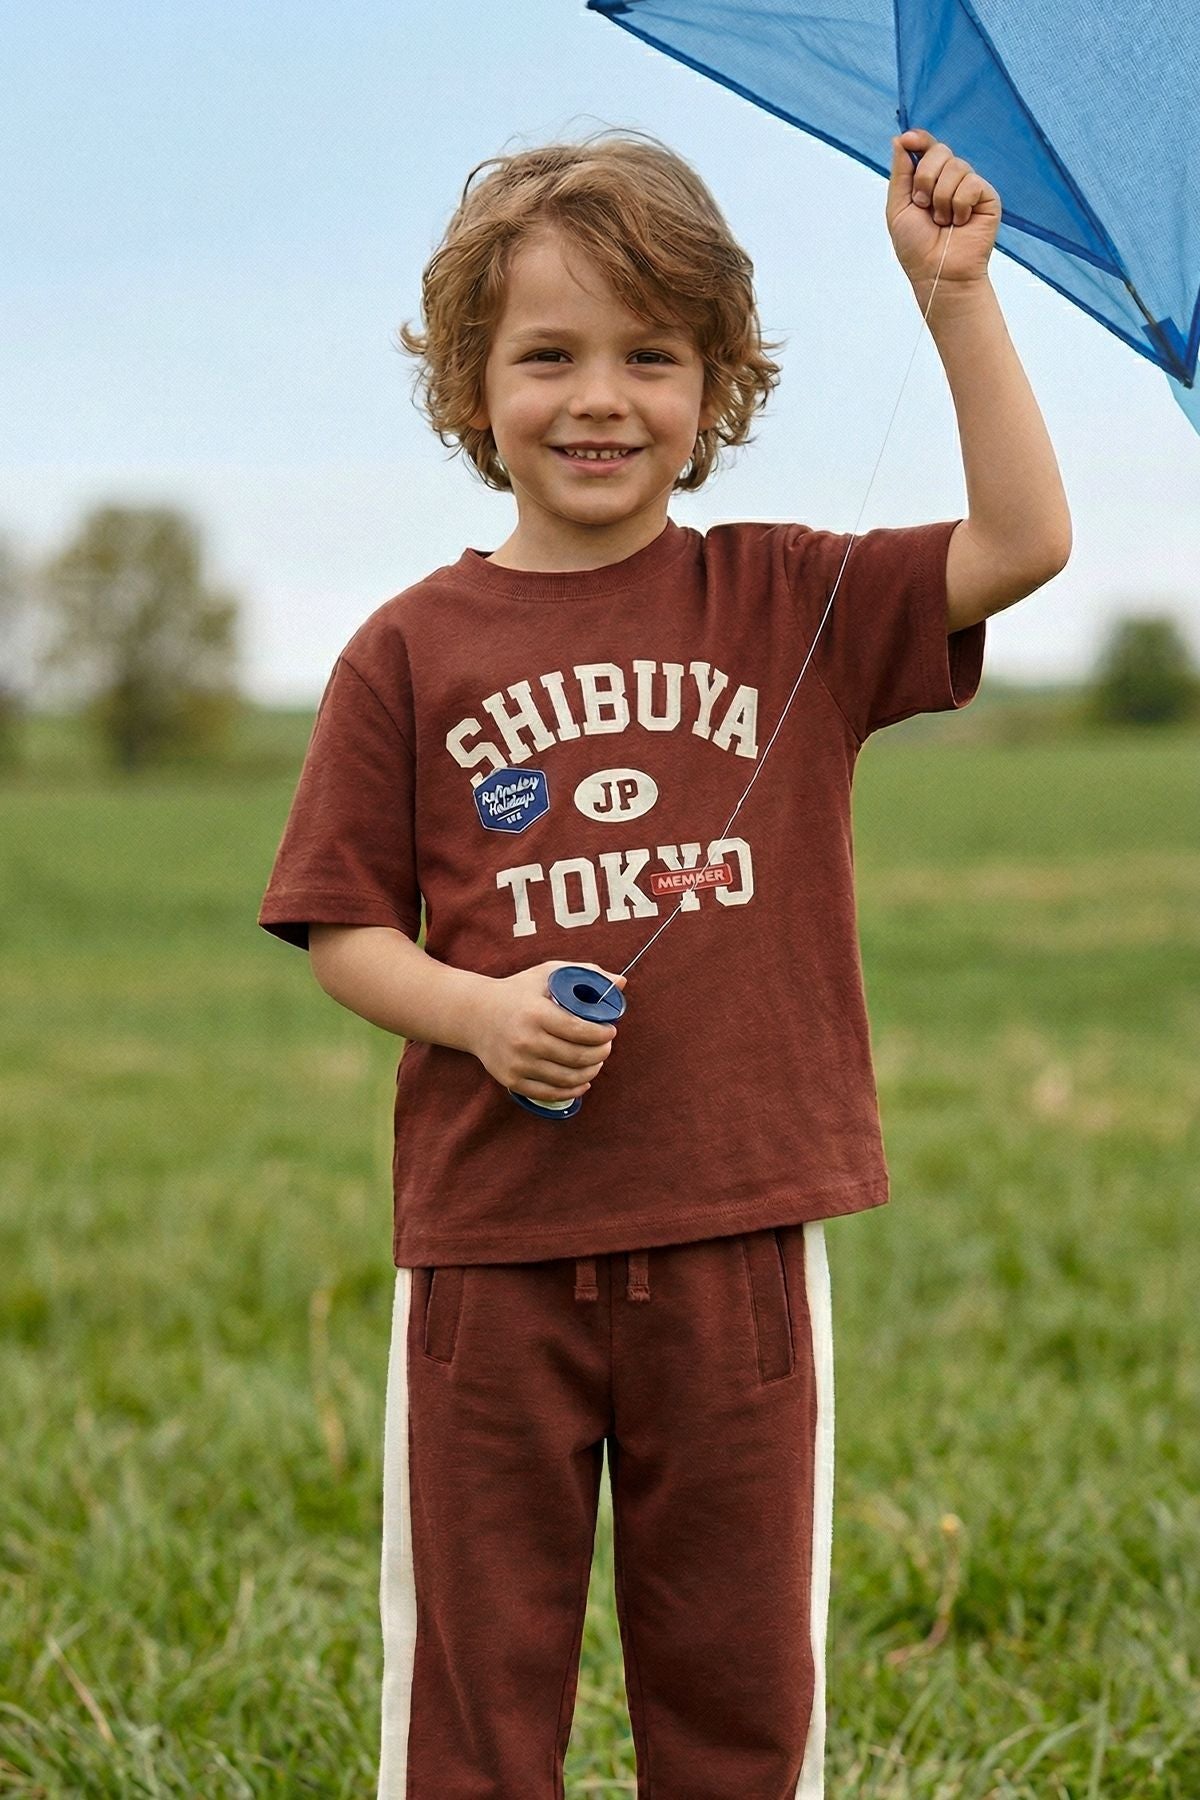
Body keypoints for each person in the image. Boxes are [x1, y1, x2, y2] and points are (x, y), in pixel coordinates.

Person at [258, 126, 1070, 1799]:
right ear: (473, 386)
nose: (601, 400)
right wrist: (479, 1014)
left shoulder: (787, 599)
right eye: (547, 356)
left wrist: (957, 300)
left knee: (740, 1700)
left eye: (651, 356)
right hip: (490, 1260)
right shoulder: (406, 652)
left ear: (716, 385)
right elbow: (344, 929)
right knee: (476, 1702)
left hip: (738, 1252)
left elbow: (1026, 538)